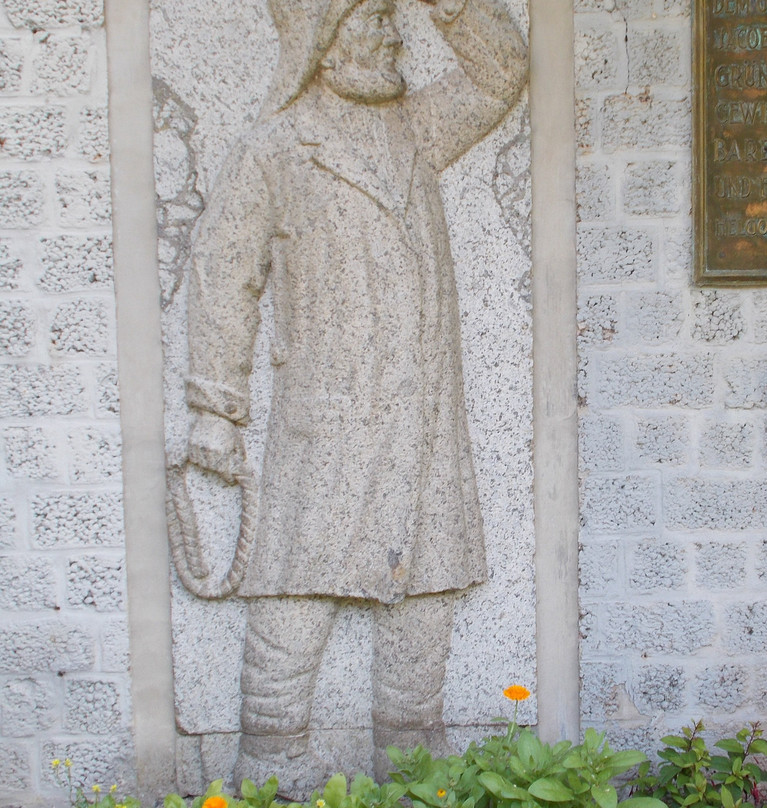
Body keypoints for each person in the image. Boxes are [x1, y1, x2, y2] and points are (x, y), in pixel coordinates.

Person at [181, 0, 526, 793]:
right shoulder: (274, 149)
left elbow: (500, 72)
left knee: (426, 587)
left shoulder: (416, 126)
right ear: (323, 39)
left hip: (425, 415)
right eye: (374, 16)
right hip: (325, 415)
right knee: (297, 584)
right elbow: (222, 274)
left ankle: (412, 771)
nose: (394, 32)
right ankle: (270, 761)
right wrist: (215, 411)